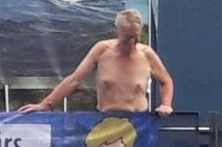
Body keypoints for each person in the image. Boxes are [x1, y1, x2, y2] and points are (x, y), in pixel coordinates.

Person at [18, 9, 174, 117]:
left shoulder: (146, 54)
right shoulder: (102, 50)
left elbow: (166, 81)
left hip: (138, 122)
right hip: (106, 120)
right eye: (127, 37)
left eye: (135, 37)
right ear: (118, 30)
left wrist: (166, 104)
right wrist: (45, 104)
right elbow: (74, 80)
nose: (131, 41)